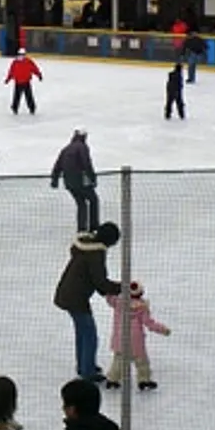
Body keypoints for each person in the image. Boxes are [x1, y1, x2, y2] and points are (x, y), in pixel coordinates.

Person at [53, 221, 122, 382]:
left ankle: (84, 365)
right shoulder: (95, 254)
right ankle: (88, 371)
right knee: (89, 334)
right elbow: (100, 282)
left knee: (82, 332)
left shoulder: (86, 246)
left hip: (69, 294)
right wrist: (122, 287)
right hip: (76, 298)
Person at [103, 280, 170, 391]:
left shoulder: (119, 303)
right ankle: (144, 380)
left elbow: (109, 298)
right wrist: (163, 330)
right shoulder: (142, 308)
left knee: (119, 360)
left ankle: (112, 380)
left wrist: (112, 288)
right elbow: (149, 323)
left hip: (120, 339)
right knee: (142, 361)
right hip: (136, 341)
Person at [51, 129, 100, 233]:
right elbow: (86, 163)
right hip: (81, 180)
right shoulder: (82, 147)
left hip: (69, 182)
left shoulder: (65, 149)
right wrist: (92, 178)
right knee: (93, 200)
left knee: (81, 203)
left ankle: (81, 229)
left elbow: (58, 165)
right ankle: (94, 226)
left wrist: (54, 179)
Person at [5, 48, 43, 115]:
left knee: (24, 96)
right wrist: (8, 79)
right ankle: (22, 108)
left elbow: (34, 69)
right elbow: (11, 71)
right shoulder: (18, 62)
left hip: (24, 82)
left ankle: (26, 108)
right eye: (21, 54)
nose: (21, 56)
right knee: (22, 96)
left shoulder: (23, 61)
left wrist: (39, 75)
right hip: (21, 82)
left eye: (22, 55)